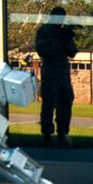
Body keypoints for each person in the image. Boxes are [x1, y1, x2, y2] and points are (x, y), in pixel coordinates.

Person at [33, 7, 77, 145]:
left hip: (63, 73)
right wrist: (56, 42)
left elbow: (72, 52)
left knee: (66, 102)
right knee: (49, 104)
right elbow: (41, 50)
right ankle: (46, 133)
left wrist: (67, 38)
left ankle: (62, 133)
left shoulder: (64, 32)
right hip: (50, 72)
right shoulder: (44, 31)